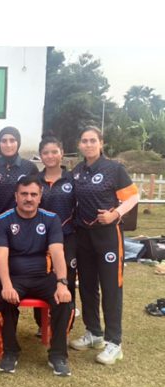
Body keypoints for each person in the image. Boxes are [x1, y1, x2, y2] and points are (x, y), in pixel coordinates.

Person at [69, 126, 139, 365]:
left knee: (111, 287)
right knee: (87, 285)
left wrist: (115, 215)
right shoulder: (77, 171)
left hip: (107, 235)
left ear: (101, 143)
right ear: (79, 145)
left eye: (92, 140)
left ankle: (114, 343)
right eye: (84, 141)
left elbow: (133, 196)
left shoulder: (114, 169)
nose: (88, 144)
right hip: (83, 235)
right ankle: (94, 333)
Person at [0, 175, 73, 376]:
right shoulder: (2, 221)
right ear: (16, 196)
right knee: (5, 299)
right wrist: (7, 285)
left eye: (33, 194)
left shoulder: (51, 219)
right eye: (24, 194)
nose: (29, 198)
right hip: (14, 277)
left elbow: (57, 252)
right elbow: (0, 255)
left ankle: (57, 355)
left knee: (65, 302)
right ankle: (10, 352)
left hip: (43, 277)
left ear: (40, 196)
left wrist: (62, 283)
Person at [36, 133, 77, 335]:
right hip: (40, 239)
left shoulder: (72, 179)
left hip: (67, 236)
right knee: (40, 275)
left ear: (62, 153)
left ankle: (65, 325)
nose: (50, 156)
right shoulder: (36, 181)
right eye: (46, 153)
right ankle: (41, 323)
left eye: (54, 152)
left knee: (66, 277)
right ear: (40, 156)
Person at [0, 126, 38, 219]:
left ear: (18, 143)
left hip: (23, 223)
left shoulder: (29, 167)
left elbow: (35, 197)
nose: (8, 145)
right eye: (4, 141)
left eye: (12, 140)